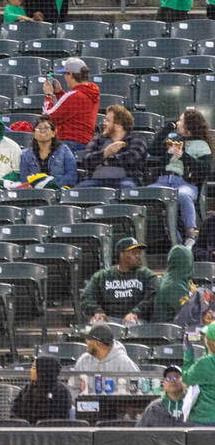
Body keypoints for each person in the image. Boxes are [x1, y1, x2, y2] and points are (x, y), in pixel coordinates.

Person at [150, 108, 214, 247]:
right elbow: (152, 149)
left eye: (181, 120)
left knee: (183, 196)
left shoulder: (201, 145)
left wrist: (183, 156)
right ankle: (174, 240)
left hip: (186, 183)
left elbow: (205, 169)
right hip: (164, 181)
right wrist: (166, 130)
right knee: (147, 194)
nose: (177, 123)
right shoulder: (173, 140)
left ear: (188, 126)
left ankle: (191, 232)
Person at [80, 237, 159, 325]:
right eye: (134, 253)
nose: (138, 256)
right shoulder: (102, 276)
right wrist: (97, 311)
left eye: (139, 253)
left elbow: (152, 297)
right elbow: (87, 297)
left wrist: (136, 312)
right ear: (122, 254)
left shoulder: (147, 275)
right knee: (97, 324)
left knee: (131, 324)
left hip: (137, 319)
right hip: (108, 318)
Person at [77, 105, 148, 188]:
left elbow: (132, 158)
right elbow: (86, 160)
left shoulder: (136, 138)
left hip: (125, 180)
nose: (104, 123)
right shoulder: (98, 139)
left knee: (127, 188)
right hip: (96, 181)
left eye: (107, 120)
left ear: (119, 124)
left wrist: (107, 161)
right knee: (78, 190)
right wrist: (105, 153)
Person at [42, 57, 102, 153]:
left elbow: (47, 117)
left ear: (70, 75)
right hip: (85, 145)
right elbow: (73, 108)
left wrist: (48, 95)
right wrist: (59, 93)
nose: (65, 77)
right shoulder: (92, 92)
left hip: (68, 144)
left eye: (65, 74)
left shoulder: (74, 95)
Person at [18, 116, 79, 189]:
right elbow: (24, 178)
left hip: (60, 191)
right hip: (34, 192)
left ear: (53, 133)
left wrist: (55, 185)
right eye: (39, 128)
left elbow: (71, 175)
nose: (42, 130)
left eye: (46, 128)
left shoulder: (64, 150)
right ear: (34, 134)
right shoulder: (25, 154)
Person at [11, 354, 72, 424]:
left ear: (44, 371)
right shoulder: (27, 389)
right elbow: (14, 412)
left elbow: (61, 418)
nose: (31, 370)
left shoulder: (62, 392)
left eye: (34, 368)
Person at [73, 322, 141, 373]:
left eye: (89, 339)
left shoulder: (124, 362)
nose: (86, 341)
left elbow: (137, 387)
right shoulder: (84, 360)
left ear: (98, 344)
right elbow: (73, 388)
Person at [182, 322, 215, 424]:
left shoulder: (204, 362)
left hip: (205, 418)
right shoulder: (206, 361)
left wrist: (188, 352)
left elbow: (186, 377)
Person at [155, 244, 196, 323]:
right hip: (169, 331)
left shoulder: (182, 278)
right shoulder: (172, 285)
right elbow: (190, 313)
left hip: (181, 326)